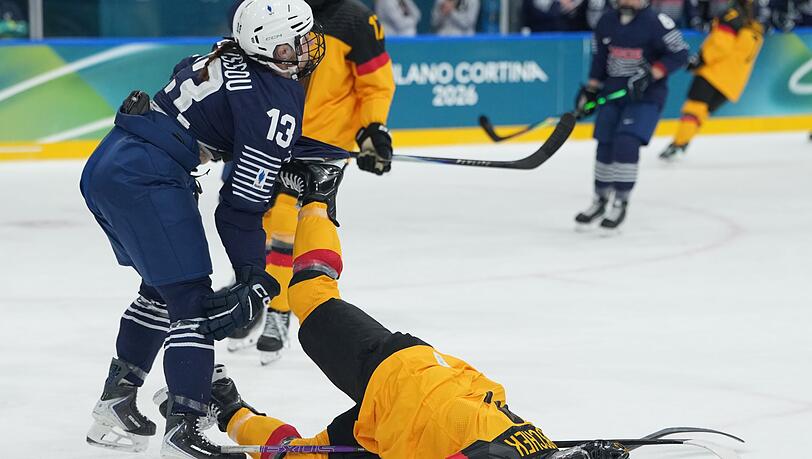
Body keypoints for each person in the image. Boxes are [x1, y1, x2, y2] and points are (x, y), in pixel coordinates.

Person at [172, 160, 630, 459]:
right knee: (312, 297)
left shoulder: (532, 445)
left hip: (392, 426)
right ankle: (318, 197)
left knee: (296, 455)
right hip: (400, 378)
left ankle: (227, 407)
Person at [79, 1, 326, 457]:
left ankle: (116, 403)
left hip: (111, 164)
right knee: (193, 303)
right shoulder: (274, 95)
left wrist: (289, 153)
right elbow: (238, 209)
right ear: (268, 44)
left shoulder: (222, 53)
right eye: (295, 42)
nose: (308, 48)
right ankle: (184, 427)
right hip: (148, 178)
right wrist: (254, 272)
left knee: (161, 290)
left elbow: (238, 124)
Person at [224, 0, 397, 366]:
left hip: (321, 146)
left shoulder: (355, 20)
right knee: (260, 218)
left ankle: (279, 309)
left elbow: (376, 84)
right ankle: (257, 291)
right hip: (272, 133)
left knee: (289, 222)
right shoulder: (272, 9)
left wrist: (372, 130)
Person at [573, 0, 689, 232]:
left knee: (626, 142)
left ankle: (620, 200)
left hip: (645, 98)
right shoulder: (606, 21)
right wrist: (591, 90)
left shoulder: (657, 22)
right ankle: (599, 200)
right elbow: (600, 60)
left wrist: (652, 74)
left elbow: (680, 53)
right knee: (605, 144)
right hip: (612, 94)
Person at [660, 0, 764, 160]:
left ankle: (679, 144)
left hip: (714, 73)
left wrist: (701, 59)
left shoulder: (732, 14)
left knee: (693, 109)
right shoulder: (755, 20)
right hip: (734, 82)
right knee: (702, 113)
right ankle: (683, 142)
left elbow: (721, 44)